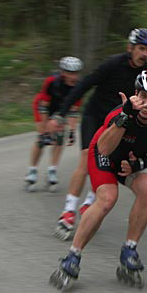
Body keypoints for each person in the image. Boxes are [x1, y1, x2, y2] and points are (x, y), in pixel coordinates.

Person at [49, 69, 147, 291]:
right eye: (143, 96)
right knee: (108, 199)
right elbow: (104, 148)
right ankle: (73, 255)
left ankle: (129, 249)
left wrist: (140, 164)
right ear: (135, 93)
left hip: (131, 162)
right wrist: (125, 116)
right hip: (104, 156)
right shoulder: (120, 112)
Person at [48, 28, 147, 239]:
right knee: (86, 158)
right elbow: (84, 85)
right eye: (141, 48)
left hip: (118, 123)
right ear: (130, 48)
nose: (144, 54)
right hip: (94, 116)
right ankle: (68, 211)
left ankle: (89, 204)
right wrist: (60, 113)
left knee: (111, 162)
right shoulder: (113, 64)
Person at [24, 56, 83, 192]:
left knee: (60, 137)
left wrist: (72, 132)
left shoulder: (79, 87)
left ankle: (52, 170)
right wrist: (45, 128)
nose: (74, 77)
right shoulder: (52, 82)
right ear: (63, 73)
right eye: (70, 73)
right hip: (43, 106)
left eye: (76, 73)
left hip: (59, 110)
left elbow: (74, 111)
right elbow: (43, 106)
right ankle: (32, 170)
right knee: (42, 139)